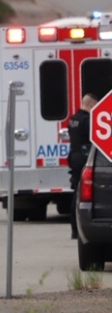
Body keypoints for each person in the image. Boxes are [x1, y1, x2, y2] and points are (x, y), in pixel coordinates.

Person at [68, 93, 98, 239]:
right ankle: (78, 229)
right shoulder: (88, 121)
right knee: (83, 196)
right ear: (92, 105)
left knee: (75, 194)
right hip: (84, 159)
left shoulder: (73, 119)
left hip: (74, 157)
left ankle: (74, 228)